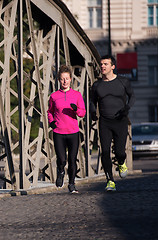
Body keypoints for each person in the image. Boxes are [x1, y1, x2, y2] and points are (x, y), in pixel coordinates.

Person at [90, 55, 135, 191]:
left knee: (120, 152)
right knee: (104, 152)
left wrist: (127, 107)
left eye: (105, 64)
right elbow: (92, 101)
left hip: (120, 121)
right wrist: (93, 112)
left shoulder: (123, 81)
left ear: (113, 67)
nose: (102, 66)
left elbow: (132, 96)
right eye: (101, 64)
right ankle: (110, 181)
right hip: (105, 122)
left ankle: (121, 162)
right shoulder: (97, 85)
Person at [47, 65, 86, 193]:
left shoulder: (77, 95)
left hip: (73, 132)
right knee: (62, 159)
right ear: (59, 80)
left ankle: (72, 184)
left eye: (67, 79)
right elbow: (50, 111)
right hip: (59, 132)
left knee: (72, 160)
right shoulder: (54, 96)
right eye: (62, 79)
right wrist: (51, 122)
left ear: (70, 80)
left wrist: (76, 109)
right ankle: (60, 172)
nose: (65, 81)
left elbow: (82, 113)